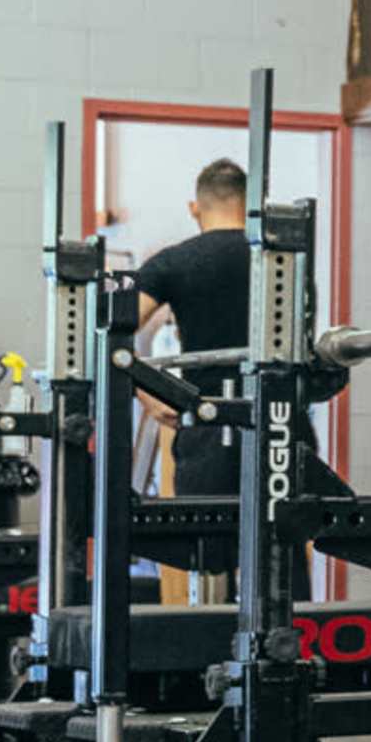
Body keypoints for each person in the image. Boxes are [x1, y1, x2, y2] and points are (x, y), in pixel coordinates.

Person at [134, 159, 252, 496]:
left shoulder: (173, 262)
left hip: (206, 429)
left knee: (207, 529)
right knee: (282, 528)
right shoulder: (284, 262)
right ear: (250, 204)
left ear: (194, 208)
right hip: (281, 430)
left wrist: (144, 391)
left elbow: (109, 336)